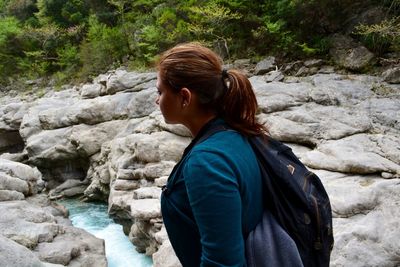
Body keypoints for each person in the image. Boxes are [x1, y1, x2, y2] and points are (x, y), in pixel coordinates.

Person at [156, 42, 264, 266]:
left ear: (185, 97)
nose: (157, 100)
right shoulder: (234, 133)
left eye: (160, 92)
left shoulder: (207, 163)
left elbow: (223, 262)